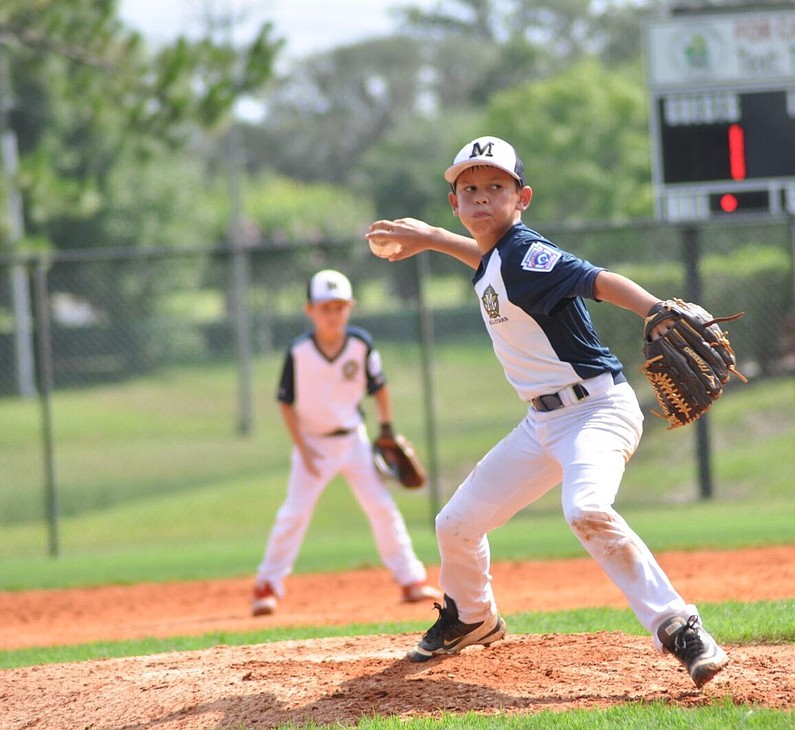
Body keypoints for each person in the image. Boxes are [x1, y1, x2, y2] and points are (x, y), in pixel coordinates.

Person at [365, 136, 728, 688]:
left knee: (586, 508)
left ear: (522, 198)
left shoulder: (528, 253)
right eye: (469, 188)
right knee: (455, 525)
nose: (481, 197)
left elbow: (594, 278)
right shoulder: (499, 258)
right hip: (542, 424)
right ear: (455, 203)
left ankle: (679, 626)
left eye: (496, 186)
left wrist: (653, 308)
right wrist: (432, 237)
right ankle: (472, 617)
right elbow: (487, 259)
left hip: (596, 410)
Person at [251, 269, 442, 616]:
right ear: (310, 310)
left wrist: (386, 429)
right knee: (294, 513)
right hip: (312, 444)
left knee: (381, 507)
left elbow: (379, 387)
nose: (333, 314)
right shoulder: (299, 352)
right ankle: (267, 585)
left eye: (339, 307)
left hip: (354, 441)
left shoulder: (360, 344)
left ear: (350, 307)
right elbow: (285, 402)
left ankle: (411, 580)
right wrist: (303, 449)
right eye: (325, 308)